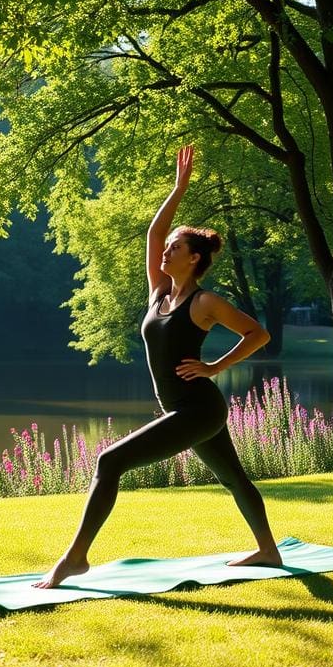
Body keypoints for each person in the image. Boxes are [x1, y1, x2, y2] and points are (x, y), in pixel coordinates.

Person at [34, 145, 282, 589]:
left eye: (175, 248)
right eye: (167, 248)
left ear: (194, 259)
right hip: (181, 409)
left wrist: (214, 367)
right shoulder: (158, 293)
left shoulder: (204, 302)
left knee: (109, 462)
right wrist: (178, 189)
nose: (165, 252)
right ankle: (268, 549)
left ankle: (75, 558)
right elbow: (153, 235)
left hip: (198, 409)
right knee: (234, 478)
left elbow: (258, 335)